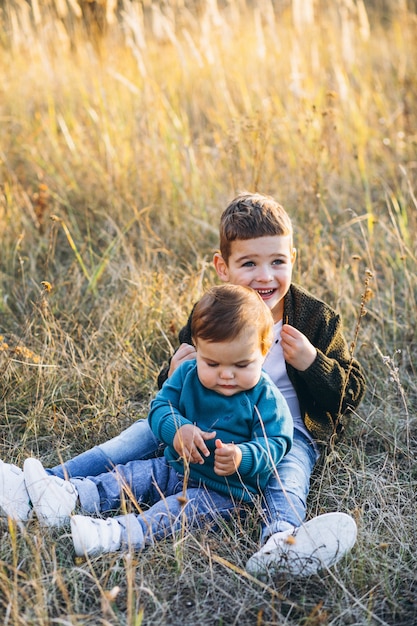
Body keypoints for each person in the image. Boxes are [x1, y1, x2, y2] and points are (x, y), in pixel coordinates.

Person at [0, 192, 365, 576]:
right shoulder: (213, 313)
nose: (265, 276)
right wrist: (172, 371)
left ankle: (283, 541)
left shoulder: (316, 319)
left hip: (286, 431)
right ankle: (51, 485)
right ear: (222, 266)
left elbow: (351, 391)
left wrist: (312, 363)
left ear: (294, 259)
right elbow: (175, 388)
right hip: (202, 421)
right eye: (249, 263)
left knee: (285, 476)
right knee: (138, 436)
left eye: (277, 261)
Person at [5, 284, 294, 557]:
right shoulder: (188, 373)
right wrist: (178, 429)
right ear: (197, 348)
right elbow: (160, 407)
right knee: (129, 476)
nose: (226, 375)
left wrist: (243, 457)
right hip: (173, 467)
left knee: (174, 512)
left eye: (242, 365)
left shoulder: (265, 397)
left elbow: (277, 442)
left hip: (224, 493)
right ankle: (71, 497)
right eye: (213, 363)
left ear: (264, 352)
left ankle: (115, 534)